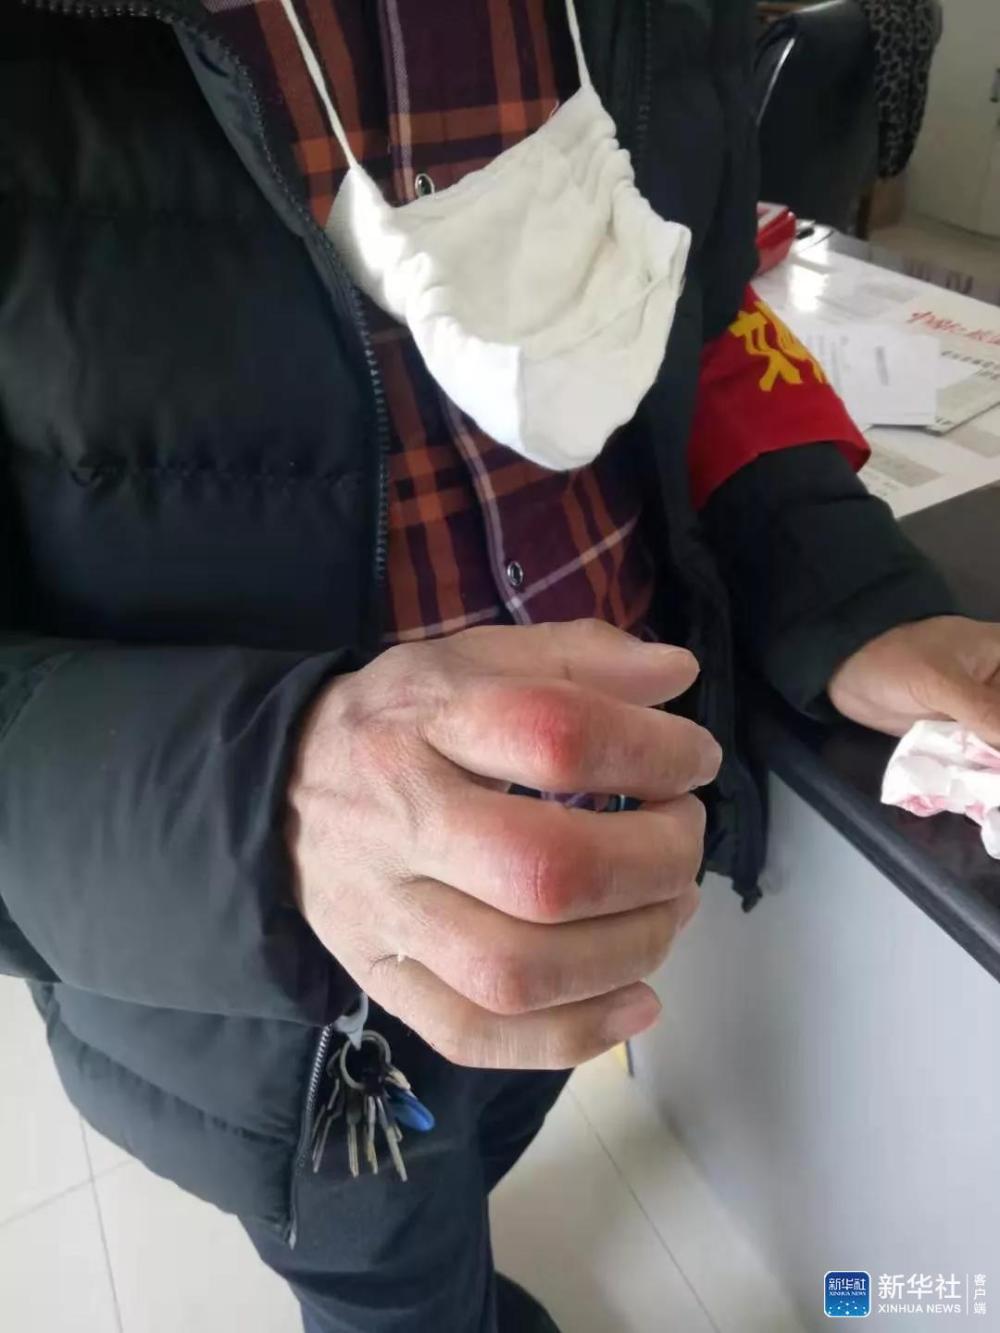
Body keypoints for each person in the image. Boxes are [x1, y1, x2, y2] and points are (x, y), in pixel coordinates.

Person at [1, 2, 998, 1331]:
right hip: (286, 1009)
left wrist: (847, 587)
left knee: (495, 1141)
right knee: (394, 1277)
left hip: (623, 865)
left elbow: (696, 323)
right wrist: (260, 807)